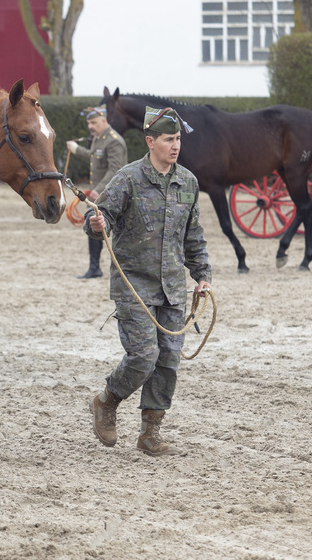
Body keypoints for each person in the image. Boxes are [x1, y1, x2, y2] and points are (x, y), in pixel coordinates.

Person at [83, 105, 212, 456]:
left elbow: (193, 236)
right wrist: (97, 225)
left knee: (168, 361)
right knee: (143, 356)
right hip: (133, 286)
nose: (176, 146)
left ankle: (150, 434)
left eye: (179, 139)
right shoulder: (127, 178)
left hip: (172, 287)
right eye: (169, 139)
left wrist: (202, 276)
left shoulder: (188, 182)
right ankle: (107, 401)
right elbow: (99, 219)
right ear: (150, 141)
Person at [66, 106, 128, 279]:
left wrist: (98, 190)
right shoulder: (98, 138)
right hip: (101, 193)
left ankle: (120, 269)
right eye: (88, 123)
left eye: (93, 122)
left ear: (103, 120)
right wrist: (76, 149)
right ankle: (94, 268)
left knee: (118, 231)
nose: (90, 127)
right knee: (93, 224)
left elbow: (115, 169)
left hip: (114, 193)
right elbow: (94, 157)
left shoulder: (114, 140)